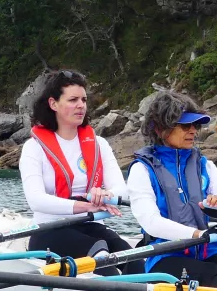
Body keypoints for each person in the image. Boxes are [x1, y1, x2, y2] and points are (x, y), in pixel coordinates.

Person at [128, 91, 217, 291]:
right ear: (159, 128)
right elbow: (151, 223)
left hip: (207, 250)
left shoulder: (205, 166)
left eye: (196, 125)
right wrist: (199, 233)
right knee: (209, 275)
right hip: (165, 256)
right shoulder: (142, 170)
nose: (193, 131)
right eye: (185, 125)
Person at [19, 69, 133, 275]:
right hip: (48, 231)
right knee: (100, 255)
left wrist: (108, 195)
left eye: (83, 99)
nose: (81, 105)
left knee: (134, 259)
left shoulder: (99, 144)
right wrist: (86, 205)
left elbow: (122, 190)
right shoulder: (33, 148)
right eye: (73, 100)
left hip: (87, 226)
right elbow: (36, 200)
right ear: (53, 104)